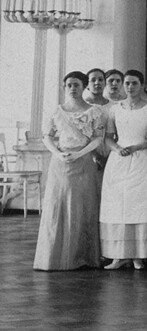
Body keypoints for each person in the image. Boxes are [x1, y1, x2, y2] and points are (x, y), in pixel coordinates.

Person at [34, 72, 106, 271]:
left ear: (84, 87)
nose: (73, 88)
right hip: (61, 163)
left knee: (83, 206)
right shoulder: (57, 111)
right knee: (59, 206)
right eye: (69, 85)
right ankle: (54, 258)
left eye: (77, 85)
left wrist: (80, 153)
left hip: (84, 162)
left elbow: (98, 138)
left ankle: (83, 257)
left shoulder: (95, 111)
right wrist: (57, 153)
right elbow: (47, 136)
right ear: (64, 88)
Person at [100, 70, 147, 269]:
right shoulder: (114, 109)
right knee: (118, 206)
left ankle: (138, 255)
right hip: (119, 159)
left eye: (135, 83)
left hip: (142, 158)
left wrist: (137, 147)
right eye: (127, 83)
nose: (130, 87)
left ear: (142, 85)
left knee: (138, 205)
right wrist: (117, 149)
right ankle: (118, 255)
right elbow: (108, 137)